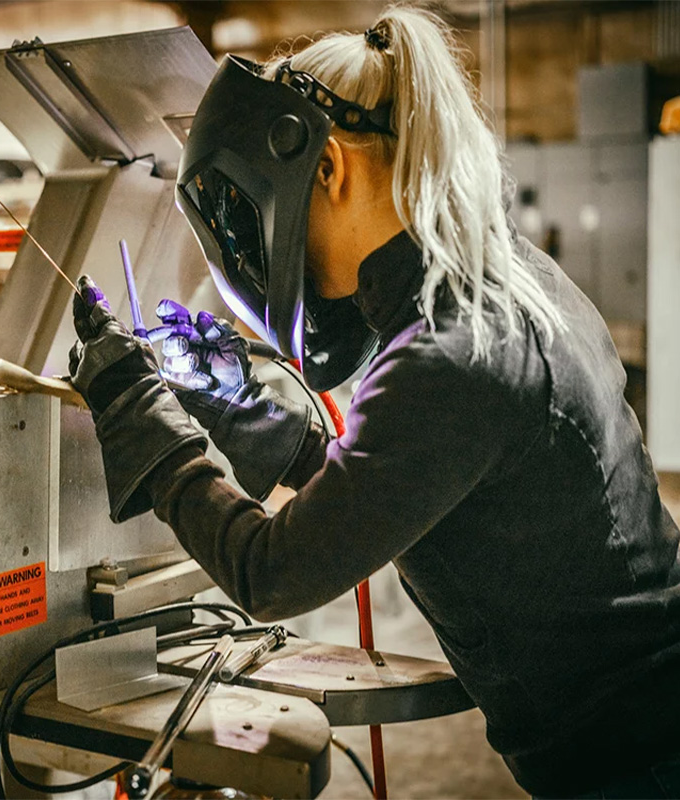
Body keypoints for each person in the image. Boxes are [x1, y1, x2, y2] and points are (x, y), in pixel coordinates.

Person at [67, 6, 680, 798]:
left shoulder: (448, 355)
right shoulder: (502, 285)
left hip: (636, 765)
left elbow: (274, 572)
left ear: (324, 170)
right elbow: (393, 478)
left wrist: (137, 414)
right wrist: (228, 400)